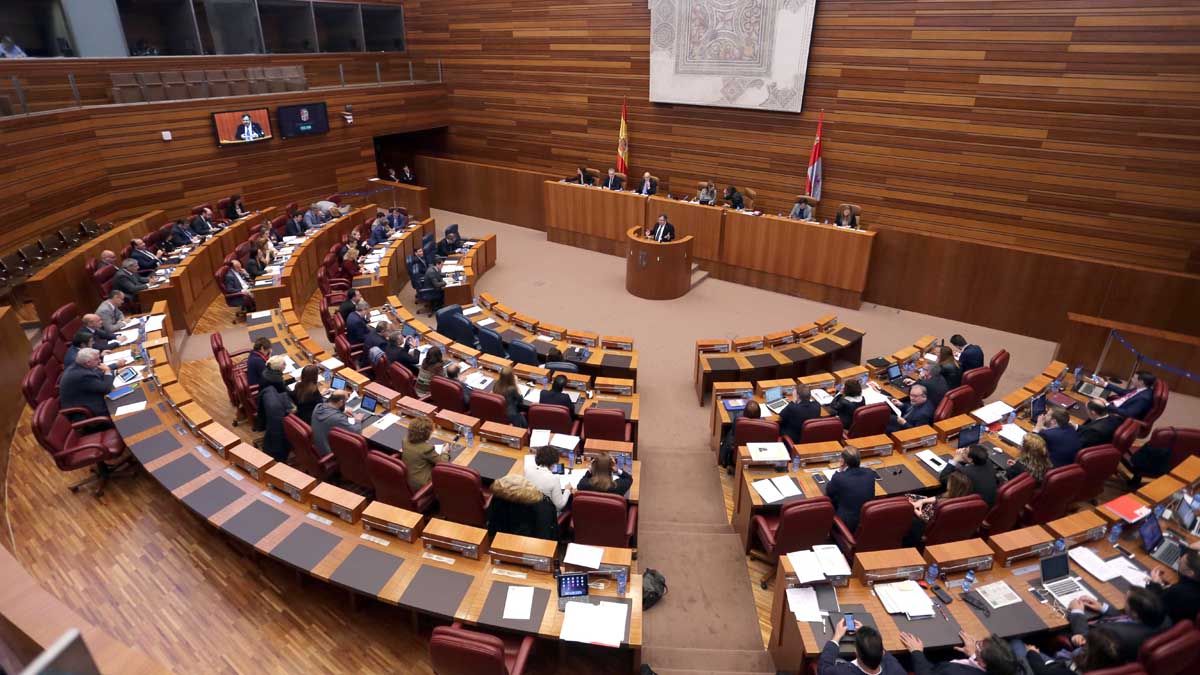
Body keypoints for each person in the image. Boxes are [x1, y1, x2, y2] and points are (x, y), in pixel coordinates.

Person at [1066, 589, 1166, 664]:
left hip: (1088, 657)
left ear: (1134, 613)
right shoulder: (1160, 619)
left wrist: (1077, 611)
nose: (1124, 601)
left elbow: (1086, 641)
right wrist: (1102, 608)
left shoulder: (1111, 633)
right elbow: (1125, 619)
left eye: (1126, 601)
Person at [900, 631, 1020, 675]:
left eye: (978, 645)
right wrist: (974, 654)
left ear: (983, 663)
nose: (975, 643)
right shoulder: (1006, 668)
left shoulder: (952, 671)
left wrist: (916, 652)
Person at [1019, 626, 1123, 675]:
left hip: (1045, 669)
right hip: (1059, 665)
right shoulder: (1109, 662)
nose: (1083, 643)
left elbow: (1042, 672)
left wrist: (1032, 653)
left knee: (1015, 642)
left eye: (1086, 644)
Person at [906, 472, 973, 546]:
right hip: (929, 511)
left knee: (905, 509)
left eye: (949, 481)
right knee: (908, 496)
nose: (948, 482)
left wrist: (913, 508)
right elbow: (937, 497)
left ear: (953, 486)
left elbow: (927, 519)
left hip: (924, 521)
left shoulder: (943, 506)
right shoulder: (959, 496)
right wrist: (922, 501)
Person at [488, 473, 559, 540]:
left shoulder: (499, 496)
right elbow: (545, 535)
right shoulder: (544, 506)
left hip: (503, 538)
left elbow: (492, 524)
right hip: (528, 542)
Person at [819, 620, 905, 675]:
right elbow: (886, 656)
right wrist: (865, 635)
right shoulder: (896, 669)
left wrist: (836, 637)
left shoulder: (842, 672)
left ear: (856, 653)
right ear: (882, 653)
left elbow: (824, 669)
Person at [826, 448, 876, 533]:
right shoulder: (870, 473)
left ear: (842, 461)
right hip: (868, 519)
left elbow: (829, 492)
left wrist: (839, 471)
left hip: (847, 524)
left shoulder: (839, 477)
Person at [1148, 548, 1200, 624]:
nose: (1178, 561)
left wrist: (1154, 584)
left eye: (1181, 562)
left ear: (1190, 573)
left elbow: (1152, 605)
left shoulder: (1179, 591)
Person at [256, 356, 294, 460]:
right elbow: (285, 393)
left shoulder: (267, 371)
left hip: (266, 402)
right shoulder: (276, 379)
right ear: (278, 368)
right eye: (284, 365)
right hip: (278, 407)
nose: (285, 366)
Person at [59, 349, 114, 419]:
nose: (100, 361)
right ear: (88, 362)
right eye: (97, 359)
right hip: (90, 414)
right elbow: (106, 388)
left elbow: (96, 373)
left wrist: (114, 372)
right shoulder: (82, 375)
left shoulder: (77, 366)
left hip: (87, 400)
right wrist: (107, 371)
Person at [311, 390, 363, 457]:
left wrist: (342, 411)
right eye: (345, 401)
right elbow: (357, 432)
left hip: (318, 446)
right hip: (328, 453)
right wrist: (357, 420)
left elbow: (330, 408)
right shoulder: (337, 418)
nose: (345, 404)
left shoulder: (318, 406)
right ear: (341, 402)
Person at [524, 445, 571, 512]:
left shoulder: (528, 470)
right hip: (547, 515)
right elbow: (560, 505)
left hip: (529, 510)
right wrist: (567, 490)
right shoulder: (554, 479)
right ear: (554, 463)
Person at [401, 416, 442, 491]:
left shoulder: (405, 440)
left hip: (406, 479)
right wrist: (445, 452)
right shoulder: (427, 449)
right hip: (421, 485)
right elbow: (443, 463)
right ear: (426, 434)